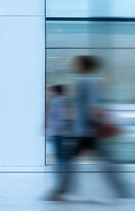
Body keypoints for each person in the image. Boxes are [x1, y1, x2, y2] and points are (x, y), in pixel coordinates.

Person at [49, 56, 130, 201]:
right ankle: (122, 190)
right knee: (101, 159)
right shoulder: (89, 80)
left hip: (87, 130)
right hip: (86, 130)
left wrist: (99, 122)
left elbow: (91, 105)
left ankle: (61, 190)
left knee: (69, 159)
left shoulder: (85, 80)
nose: (74, 65)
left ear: (84, 65)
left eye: (77, 63)